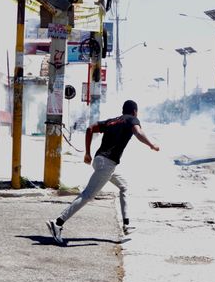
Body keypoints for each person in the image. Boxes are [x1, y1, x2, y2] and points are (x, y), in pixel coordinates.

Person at [46, 99, 160, 244]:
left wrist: (87, 153)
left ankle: (126, 224)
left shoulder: (111, 121)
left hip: (99, 160)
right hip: (107, 164)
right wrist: (152, 144)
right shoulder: (132, 119)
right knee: (87, 195)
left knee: (124, 186)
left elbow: (89, 129)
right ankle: (58, 222)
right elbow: (138, 133)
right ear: (134, 111)